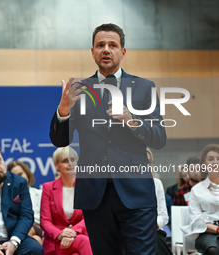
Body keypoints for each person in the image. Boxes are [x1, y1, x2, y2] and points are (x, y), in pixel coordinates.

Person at [49, 23, 166, 255]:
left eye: (112, 45)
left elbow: (159, 138)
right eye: (100, 45)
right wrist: (63, 112)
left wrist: (132, 120)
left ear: (122, 52)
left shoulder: (144, 88)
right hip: (96, 195)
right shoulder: (79, 90)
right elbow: (60, 141)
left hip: (136, 193)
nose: (106, 49)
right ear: (92, 51)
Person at [40, 147, 92, 255]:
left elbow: (88, 217)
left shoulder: (84, 187)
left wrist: (73, 232)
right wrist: (61, 234)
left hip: (77, 236)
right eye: (65, 161)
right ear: (56, 165)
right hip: (56, 241)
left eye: (73, 160)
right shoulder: (48, 188)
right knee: (83, 242)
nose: (70, 164)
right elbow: (45, 221)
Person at [182, 144, 219, 255]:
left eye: (218, 159)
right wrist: (216, 229)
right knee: (214, 250)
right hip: (207, 233)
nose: (215, 162)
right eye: (211, 159)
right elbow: (195, 220)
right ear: (204, 164)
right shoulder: (197, 190)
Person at [7, 161, 42, 245]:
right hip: (16, 230)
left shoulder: (40, 193)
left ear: (27, 174)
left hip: (37, 228)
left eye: (20, 174)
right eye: (14, 177)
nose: (18, 179)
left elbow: (44, 219)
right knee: (36, 240)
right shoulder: (7, 197)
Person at [147, 148, 172, 255]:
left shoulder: (156, 183)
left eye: (149, 162)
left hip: (153, 230)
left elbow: (163, 216)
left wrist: (150, 224)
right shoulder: (123, 184)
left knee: (154, 240)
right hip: (132, 231)